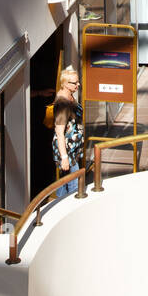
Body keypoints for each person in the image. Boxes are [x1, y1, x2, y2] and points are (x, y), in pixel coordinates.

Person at [52, 66, 83, 200]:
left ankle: (58, 203)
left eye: (78, 82)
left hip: (73, 147)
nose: (78, 85)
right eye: (74, 83)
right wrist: (64, 157)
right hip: (66, 150)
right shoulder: (62, 104)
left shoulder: (69, 95)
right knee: (74, 184)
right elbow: (59, 132)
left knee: (64, 181)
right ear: (64, 83)